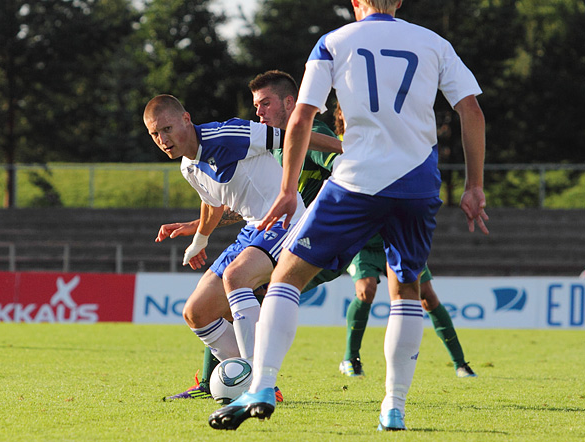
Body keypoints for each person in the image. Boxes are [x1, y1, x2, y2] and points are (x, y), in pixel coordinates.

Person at [209, 0, 488, 432]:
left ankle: (262, 386)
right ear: (398, 2)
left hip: (358, 180)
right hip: (417, 184)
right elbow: (471, 110)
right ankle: (393, 408)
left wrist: (287, 191)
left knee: (285, 277)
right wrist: (474, 186)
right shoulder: (434, 43)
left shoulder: (333, 42)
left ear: (356, 3)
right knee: (407, 290)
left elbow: (301, 118)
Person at [144, 94, 341, 401]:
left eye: (167, 129)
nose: (163, 139)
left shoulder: (228, 134)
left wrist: (347, 151)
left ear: (186, 119)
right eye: (155, 134)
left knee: (236, 277)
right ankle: (253, 380)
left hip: (285, 220)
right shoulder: (188, 167)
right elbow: (212, 204)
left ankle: (259, 382)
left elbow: (294, 136)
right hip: (253, 230)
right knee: (197, 312)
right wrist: (200, 239)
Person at [327, 103, 477, 379]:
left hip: (396, 233)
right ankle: (351, 359)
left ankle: (460, 363)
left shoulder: (391, 142)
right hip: (363, 236)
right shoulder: (337, 147)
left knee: (428, 297)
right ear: (342, 116)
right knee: (366, 290)